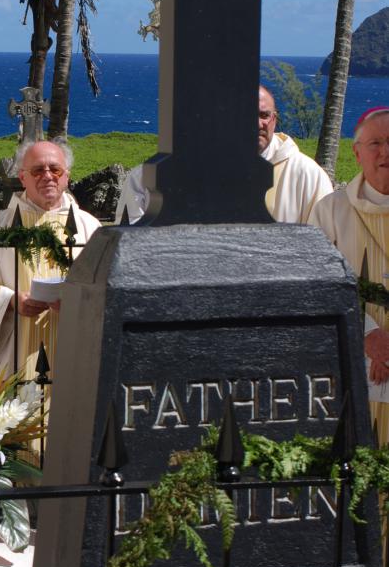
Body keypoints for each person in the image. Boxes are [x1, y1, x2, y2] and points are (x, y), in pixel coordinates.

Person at [0, 139, 100, 378]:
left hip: (73, 346)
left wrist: (76, 301)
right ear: (22, 177)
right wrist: (10, 301)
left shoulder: (90, 227)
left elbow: (106, 289)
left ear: (66, 176)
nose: (47, 176)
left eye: (55, 169)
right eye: (37, 170)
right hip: (16, 350)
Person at [115, 85, 333, 224]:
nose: (257, 123)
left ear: (274, 119)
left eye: (264, 115)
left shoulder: (307, 176)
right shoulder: (146, 179)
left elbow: (322, 246)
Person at [311, 106, 389, 445]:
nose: (385, 152)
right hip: (353, 364)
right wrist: (370, 336)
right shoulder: (331, 210)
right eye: (375, 143)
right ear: (357, 152)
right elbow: (316, 284)